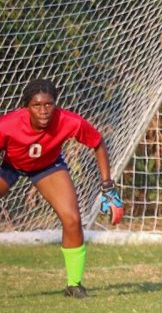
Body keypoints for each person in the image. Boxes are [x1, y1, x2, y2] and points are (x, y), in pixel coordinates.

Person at [0, 78, 124, 298]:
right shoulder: (7, 125)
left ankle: (74, 284)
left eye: (48, 104)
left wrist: (107, 186)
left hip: (48, 167)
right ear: (26, 107)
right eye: (37, 105)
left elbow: (97, 143)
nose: (43, 110)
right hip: (10, 166)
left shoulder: (69, 121)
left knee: (72, 219)